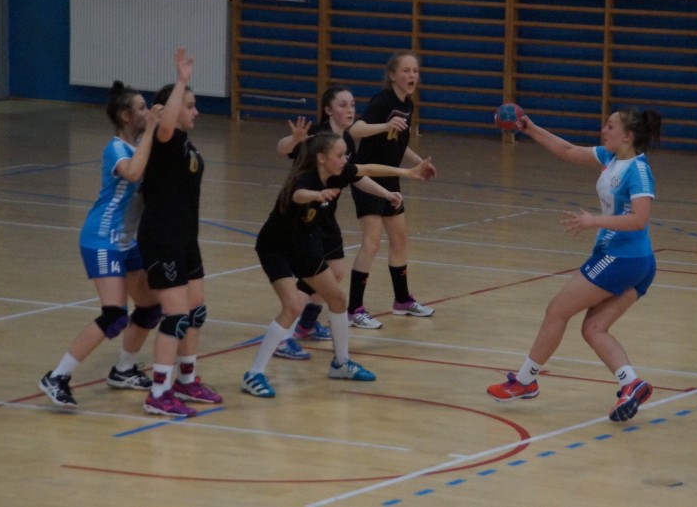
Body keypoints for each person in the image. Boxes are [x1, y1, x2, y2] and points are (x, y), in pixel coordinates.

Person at [486, 107, 662, 422]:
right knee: (593, 328)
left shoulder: (638, 170)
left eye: (610, 126)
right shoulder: (611, 157)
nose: (604, 130)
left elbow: (639, 220)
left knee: (557, 310)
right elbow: (567, 151)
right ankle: (631, 383)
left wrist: (594, 221)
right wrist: (530, 128)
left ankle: (525, 381)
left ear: (628, 136)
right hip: (634, 261)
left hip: (622, 258)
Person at [243, 131, 435, 397]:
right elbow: (298, 195)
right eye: (340, 155)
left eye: (345, 154)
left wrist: (407, 173)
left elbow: (367, 169)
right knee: (293, 305)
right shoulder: (305, 177)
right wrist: (316, 194)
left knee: (338, 299)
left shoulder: (339, 172)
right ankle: (253, 374)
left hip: (304, 244)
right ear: (322, 158)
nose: (345, 159)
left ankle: (341, 363)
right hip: (276, 246)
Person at [271, 85, 424, 360]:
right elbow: (283, 149)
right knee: (317, 277)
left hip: (326, 215)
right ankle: (284, 338)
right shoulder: (319, 137)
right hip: (304, 215)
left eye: (352, 104)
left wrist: (386, 193)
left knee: (336, 273)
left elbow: (355, 175)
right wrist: (294, 139)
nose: (350, 109)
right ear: (328, 109)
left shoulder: (348, 143)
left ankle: (307, 324)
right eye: (342, 105)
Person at [39, 81, 163, 408]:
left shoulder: (140, 146)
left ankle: (124, 369)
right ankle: (57, 376)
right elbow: (133, 174)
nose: (147, 112)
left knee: (150, 307)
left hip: (127, 241)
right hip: (102, 239)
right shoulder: (116, 149)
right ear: (125, 116)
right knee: (114, 314)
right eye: (141, 108)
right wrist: (152, 130)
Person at [137, 47, 222, 417]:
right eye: (189, 105)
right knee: (175, 316)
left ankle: (187, 380)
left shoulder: (185, 144)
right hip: (162, 237)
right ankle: (158, 392)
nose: (195, 111)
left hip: (186, 238)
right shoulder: (164, 140)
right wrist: (181, 81)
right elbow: (166, 125)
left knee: (195, 312)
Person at [347, 51, 437, 329]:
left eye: (415, 71)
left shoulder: (407, 104)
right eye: (406, 70)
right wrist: (385, 124)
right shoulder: (382, 101)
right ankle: (354, 310)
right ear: (392, 75)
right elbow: (355, 130)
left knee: (400, 239)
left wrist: (418, 163)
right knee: (371, 242)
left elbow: (399, 143)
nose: (412, 75)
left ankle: (402, 300)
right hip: (368, 177)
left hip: (391, 178)